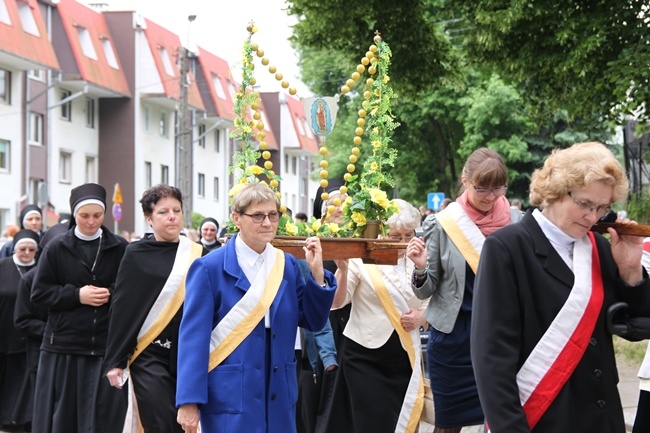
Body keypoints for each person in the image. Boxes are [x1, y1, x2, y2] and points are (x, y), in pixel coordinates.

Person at [470, 142, 650, 433]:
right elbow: (492, 359)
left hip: (602, 418)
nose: (593, 217)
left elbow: (636, 326)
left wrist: (630, 270)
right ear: (555, 190)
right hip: (544, 419)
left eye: (602, 208)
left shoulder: (599, 249)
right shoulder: (507, 248)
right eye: (584, 204)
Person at [175, 183, 337, 433]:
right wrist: (188, 401)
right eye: (258, 216)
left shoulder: (286, 265)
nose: (267, 223)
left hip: (279, 393)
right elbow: (193, 339)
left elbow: (313, 321)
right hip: (230, 391)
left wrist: (317, 275)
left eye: (273, 215)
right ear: (236, 218)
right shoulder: (209, 268)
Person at [407, 147, 514, 433]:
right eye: (482, 189)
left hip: (500, 339)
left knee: (503, 422)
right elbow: (425, 289)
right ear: (465, 181)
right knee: (448, 425)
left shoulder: (515, 223)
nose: (491, 197)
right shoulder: (442, 225)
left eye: (498, 189)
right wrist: (419, 267)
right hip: (453, 340)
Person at [104, 185, 205, 433]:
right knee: (160, 421)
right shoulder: (135, 254)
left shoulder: (199, 254)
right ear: (149, 218)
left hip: (186, 355)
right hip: (149, 353)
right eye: (163, 212)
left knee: (186, 425)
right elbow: (122, 308)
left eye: (176, 210)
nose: (172, 216)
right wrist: (116, 360)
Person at [30, 183, 129, 433]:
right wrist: (77, 295)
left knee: (101, 421)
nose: (91, 222)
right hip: (64, 344)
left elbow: (131, 292)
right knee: (63, 419)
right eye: (84, 216)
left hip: (104, 346)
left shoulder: (120, 248)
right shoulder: (56, 247)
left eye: (97, 215)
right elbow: (39, 293)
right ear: (74, 214)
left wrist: (112, 293)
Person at [332, 199, 429, 433]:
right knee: (374, 423)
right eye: (397, 236)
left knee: (403, 421)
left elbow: (433, 301)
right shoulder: (361, 258)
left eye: (409, 235)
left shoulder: (422, 258)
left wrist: (422, 318)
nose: (404, 243)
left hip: (405, 355)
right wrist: (342, 270)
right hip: (365, 357)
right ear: (382, 232)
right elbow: (336, 302)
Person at [13, 222, 68, 433]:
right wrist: (53, 330)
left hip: (71, 352)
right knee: (44, 405)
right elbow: (22, 320)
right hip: (40, 353)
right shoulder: (30, 280)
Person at [0, 229, 39, 432]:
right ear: (14, 249)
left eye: (31, 249)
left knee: (25, 384)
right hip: (5, 334)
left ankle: (23, 420)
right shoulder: (3, 266)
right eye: (22, 248)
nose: (26, 252)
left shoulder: (42, 270)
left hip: (30, 336)